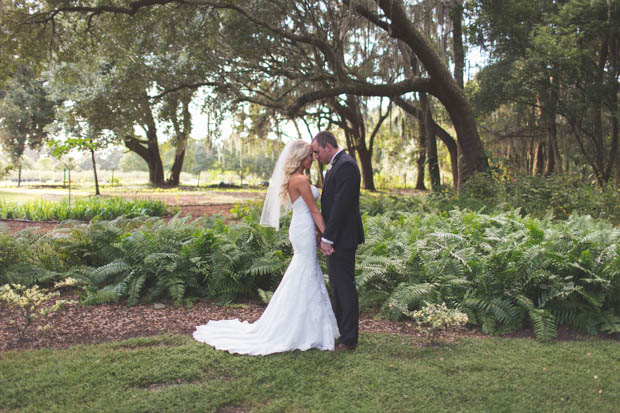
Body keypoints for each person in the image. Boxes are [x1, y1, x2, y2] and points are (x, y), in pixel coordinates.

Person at [193, 140, 339, 355]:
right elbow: (315, 212)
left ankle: (305, 325)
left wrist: (319, 233)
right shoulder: (301, 179)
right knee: (304, 272)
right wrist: (328, 237)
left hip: (301, 228)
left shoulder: (293, 179)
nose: (312, 158)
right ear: (300, 158)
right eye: (309, 155)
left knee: (304, 272)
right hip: (304, 228)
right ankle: (297, 327)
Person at [311, 131, 364, 351]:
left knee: (345, 287)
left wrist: (328, 237)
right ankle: (341, 331)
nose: (315, 157)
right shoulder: (337, 164)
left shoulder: (347, 166)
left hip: (343, 237)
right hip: (337, 237)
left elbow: (341, 206)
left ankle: (349, 338)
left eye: (316, 152)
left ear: (328, 147)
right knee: (337, 287)